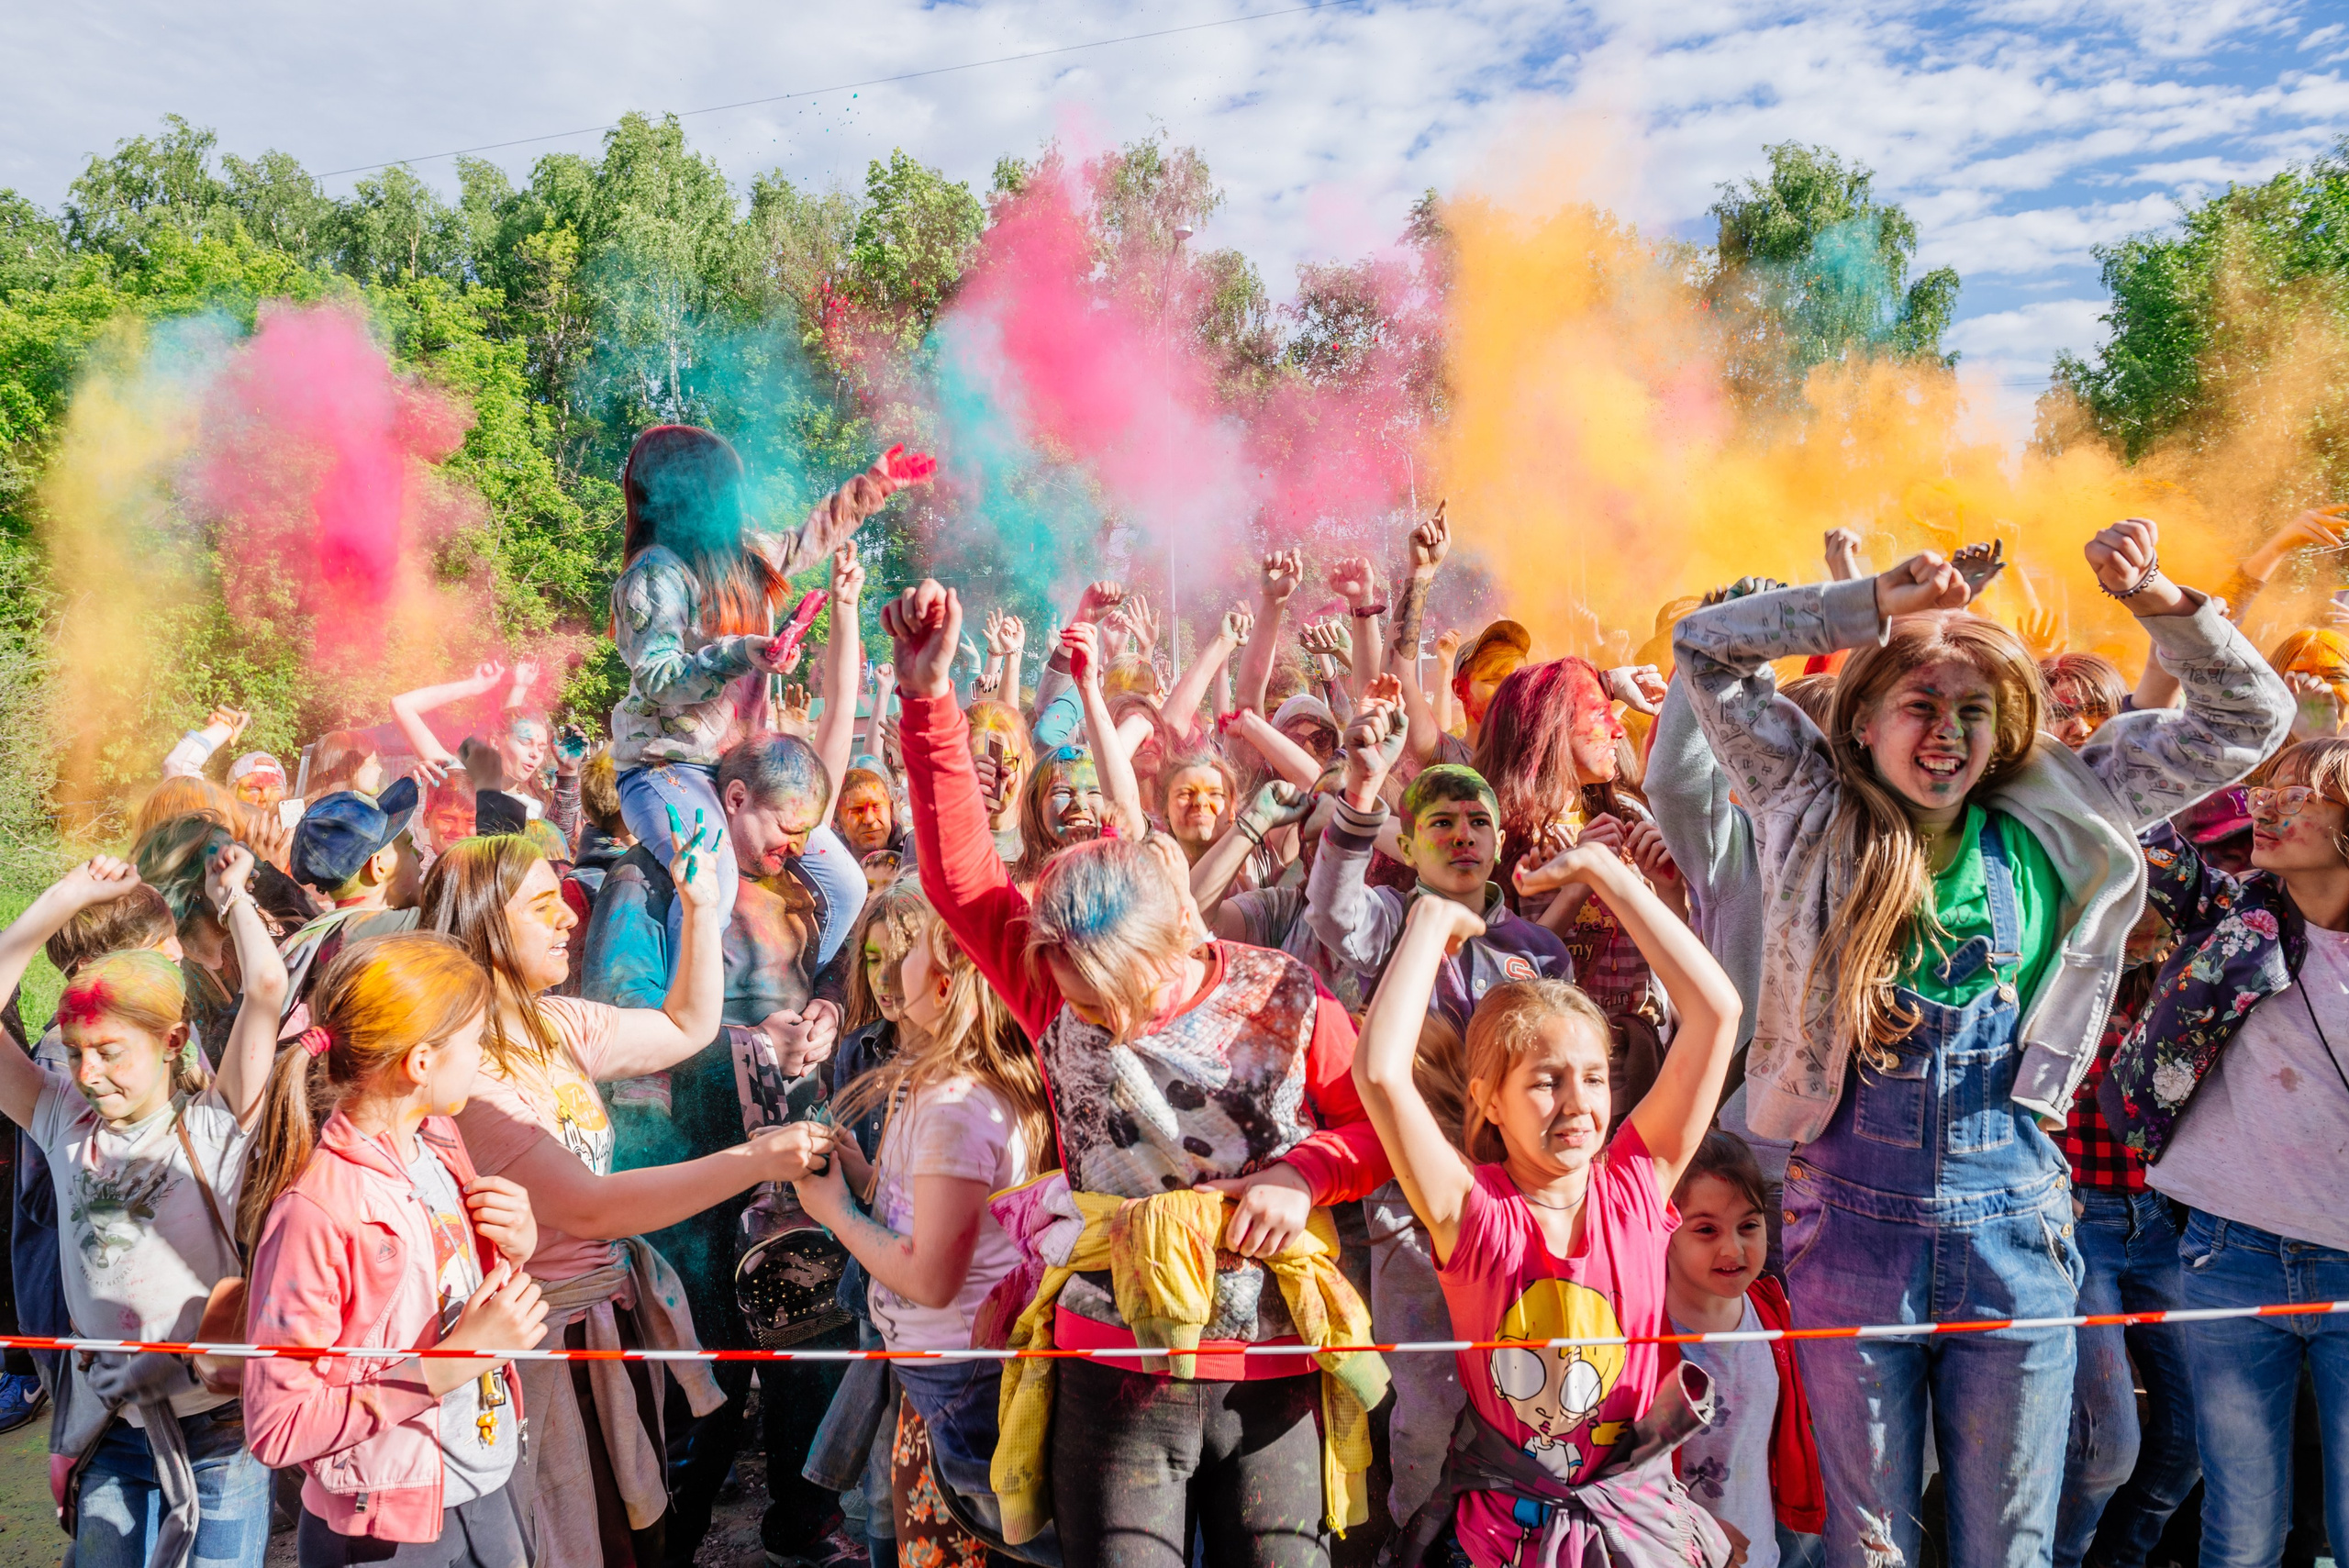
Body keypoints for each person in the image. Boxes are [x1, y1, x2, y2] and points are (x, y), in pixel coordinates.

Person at [1671, 519, 2293, 1568]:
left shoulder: (2066, 806)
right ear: (1862, 719)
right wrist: (1871, 603)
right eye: (1921, 704)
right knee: (1870, 1543)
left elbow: (2251, 715)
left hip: (2017, 1228)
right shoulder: (1805, 800)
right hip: (1848, 1230)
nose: (1947, 732)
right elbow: (1703, 649)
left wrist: (2157, 599)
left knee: (2006, 1545)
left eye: (1973, 710)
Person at [886, 576, 1394, 1565]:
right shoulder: (1044, 981)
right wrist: (925, 701)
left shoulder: (1284, 992)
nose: (1105, 1020)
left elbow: (1380, 1130)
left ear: (1180, 939)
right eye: (1082, 1004)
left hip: (1271, 1354)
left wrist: (1306, 1174)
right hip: (1110, 1360)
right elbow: (958, 880)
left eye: (1125, 998)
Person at [422, 831, 833, 1567]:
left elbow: (686, 1025)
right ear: (486, 923)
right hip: (537, 1351)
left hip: (601, 1325)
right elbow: (592, 1208)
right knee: (577, 1534)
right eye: (542, 905)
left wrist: (699, 907)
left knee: (631, 1527)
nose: (570, 919)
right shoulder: (469, 1074)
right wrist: (750, 1159)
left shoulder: (553, 1025)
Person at [1345, 829, 1742, 1568]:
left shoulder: (1635, 1180)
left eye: (1594, 1077)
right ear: (1488, 1101)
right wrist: (1428, 923)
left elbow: (1717, 1013)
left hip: (1638, 1534)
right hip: (1505, 1543)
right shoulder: (1474, 1214)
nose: (1578, 1103)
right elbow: (1380, 1076)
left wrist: (1609, 875)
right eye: (1544, 1080)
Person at [579, 729, 858, 1568]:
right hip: (687, 1156)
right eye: (784, 824)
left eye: (810, 831)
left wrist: (827, 1015)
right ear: (732, 800)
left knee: (813, 1337)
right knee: (705, 1369)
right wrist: (742, 1039)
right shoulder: (646, 876)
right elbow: (618, 1012)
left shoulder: (795, 882)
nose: (796, 846)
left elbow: (842, 965)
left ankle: (802, 1523)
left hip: (795, 1146)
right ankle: (673, 1543)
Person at [2099, 737, 2349, 1567]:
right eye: (2267, 790)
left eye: (2300, 796)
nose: (2268, 808)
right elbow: (2147, 825)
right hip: (2228, 1251)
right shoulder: (2238, 917)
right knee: (2241, 1529)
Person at [0, 848, 288, 1568]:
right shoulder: (62, 1119)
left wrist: (234, 897)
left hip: (222, 1431)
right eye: (74, 1051)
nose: (87, 1072)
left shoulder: (222, 1119)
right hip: (110, 1428)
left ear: (171, 1041)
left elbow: (265, 986)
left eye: (109, 1051)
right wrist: (64, 895)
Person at [239, 932, 546, 1567]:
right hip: (385, 1533)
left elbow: (438, 1294)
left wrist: (516, 1244)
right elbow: (277, 1424)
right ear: (422, 1061)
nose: (482, 1060)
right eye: (475, 1043)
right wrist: (447, 1364)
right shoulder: (315, 1210)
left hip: (482, 1482)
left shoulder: (438, 1137)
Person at [796, 898, 1052, 1560]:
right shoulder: (931, 1083)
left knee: (998, 1544)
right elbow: (935, 1213)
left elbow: (933, 1277)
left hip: (960, 1376)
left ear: (941, 982)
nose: (886, 971)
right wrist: (862, 1178)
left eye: (907, 951)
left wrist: (836, 1213)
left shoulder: (956, 1105)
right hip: (944, 1370)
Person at [606, 424, 927, 944]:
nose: (736, 495)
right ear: (684, 489)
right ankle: (685, 1016)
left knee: (846, 886)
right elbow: (659, 676)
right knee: (717, 884)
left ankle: (811, 995)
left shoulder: (743, 555)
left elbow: (804, 543)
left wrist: (872, 487)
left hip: (738, 770)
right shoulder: (653, 576)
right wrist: (740, 653)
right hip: (665, 767)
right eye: (725, 483)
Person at [1306, 683, 1575, 1029]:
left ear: (1499, 844)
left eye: (1479, 822)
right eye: (1442, 822)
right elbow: (1332, 911)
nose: (1463, 836)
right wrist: (1363, 782)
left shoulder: (1540, 949)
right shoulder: (1391, 924)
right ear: (1407, 848)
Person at [1663, 1131, 1826, 1568]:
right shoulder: (1643, 1338)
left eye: (1748, 1226)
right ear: (1665, 1230)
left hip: (1766, 1555)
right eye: (1706, 1229)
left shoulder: (1774, 1314)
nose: (1732, 1248)